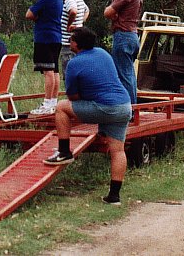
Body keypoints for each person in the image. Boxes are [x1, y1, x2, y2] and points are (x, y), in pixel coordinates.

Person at [43, 27, 132, 205]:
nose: (69, 42)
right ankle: (114, 196)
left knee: (61, 107)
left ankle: (64, 152)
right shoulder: (103, 53)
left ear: (77, 44)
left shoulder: (74, 63)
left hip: (106, 107)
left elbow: (73, 97)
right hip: (124, 106)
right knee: (118, 151)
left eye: (71, 40)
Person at [104, 0, 143, 104]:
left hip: (123, 36)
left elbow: (108, 12)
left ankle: (127, 110)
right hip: (132, 36)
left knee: (123, 75)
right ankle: (131, 108)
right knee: (129, 74)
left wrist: (114, 14)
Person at [25, 0, 63, 115]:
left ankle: (47, 104)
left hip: (44, 37)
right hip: (56, 37)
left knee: (48, 72)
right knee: (54, 71)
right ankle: (53, 102)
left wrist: (37, 17)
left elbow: (29, 14)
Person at [59, 0, 89, 79]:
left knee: (69, 74)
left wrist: (70, 25)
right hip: (77, 40)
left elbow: (73, 11)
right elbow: (86, 10)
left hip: (68, 43)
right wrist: (80, 23)